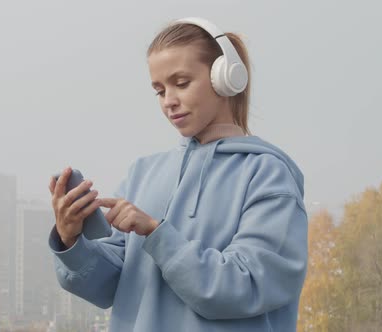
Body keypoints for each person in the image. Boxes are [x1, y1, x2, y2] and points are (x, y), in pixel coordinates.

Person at [47, 17, 308, 332]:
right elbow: (107, 287)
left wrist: (157, 234)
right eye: (159, 90)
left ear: (225, 79)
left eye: (181, 83)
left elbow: (245, 286)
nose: (169, 101)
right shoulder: (142, 174)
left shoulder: (268, 176)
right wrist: (70, 237)